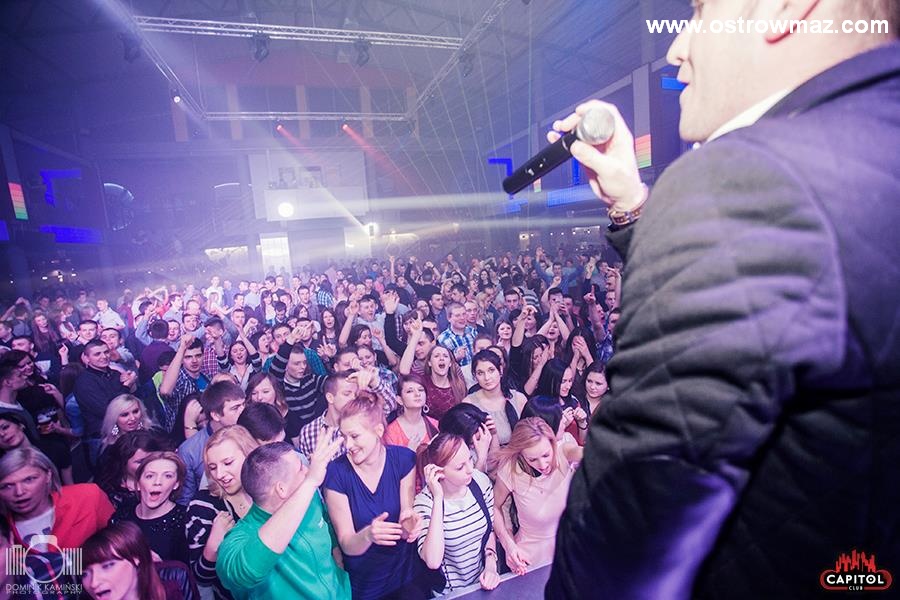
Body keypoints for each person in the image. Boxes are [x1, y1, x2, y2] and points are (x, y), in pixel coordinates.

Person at [547, 5, 900, 599]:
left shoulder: (745, 176)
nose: (676, 47)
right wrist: (634, 207)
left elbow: (625, 535)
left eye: (701, 10)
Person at [215, 439, 350, 599]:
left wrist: (338, 560)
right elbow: (242, 573)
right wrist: (310, 483)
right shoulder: (239, 537)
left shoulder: (309, 497)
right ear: (281, 489)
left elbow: (326, 522)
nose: (307, 470)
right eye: (300, 468)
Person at [322, 395, 421, 599]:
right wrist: (368, 535)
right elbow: (346, 543)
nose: (348, 445)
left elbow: (405, 518)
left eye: (354, 436)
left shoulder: (403, 460)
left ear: (378, 431)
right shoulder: (335, 474)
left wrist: (411, 524)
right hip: (366, 586)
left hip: (407, 577)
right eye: (344, 437)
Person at [414, 433, 500, 594]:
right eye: (460, 467)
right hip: (448, 593)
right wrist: (438, 498)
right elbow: (433, 561)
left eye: (470, 459)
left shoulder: (480, 482)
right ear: (439, 472)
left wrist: (491, 564)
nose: (470, 469)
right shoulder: (424, 503)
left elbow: (489, 530)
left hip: (481, 584)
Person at [493, 418, 577, 576]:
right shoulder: (510, 469)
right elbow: (495, 506)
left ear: (553, 443)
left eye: (546, 455)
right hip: (529, 558)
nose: (543, 465)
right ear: (521, 454)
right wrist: (508, 545)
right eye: (532, 459)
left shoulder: (564, 452)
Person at [186, 425, 259, 599]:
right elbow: (201, 577)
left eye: (228, 463)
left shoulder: (267, 492)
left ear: (249, 455)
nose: (219, 474)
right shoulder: (203, 506)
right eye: (212, 467)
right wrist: (213, 545)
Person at [111, 450, 189, 563]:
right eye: (150, 476)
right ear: (138, 482)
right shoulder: (122, 514)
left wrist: (162, 566)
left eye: (167, 476)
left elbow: (189, 571)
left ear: (176, 484)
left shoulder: (185, 520)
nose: (157, 482)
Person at [176, 381, 246, 505]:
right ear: (216, 415)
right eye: (235, 408)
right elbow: (185, 500)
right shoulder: (190, 450)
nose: (243, 411)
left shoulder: (251, 433)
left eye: (243, 405)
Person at [81, 521, 175, 600]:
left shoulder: (174, 590)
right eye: (85, 574)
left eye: (107, 566)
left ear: (136, 557)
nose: (94, 583)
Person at [463, 350, 527, 446]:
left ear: (500, 370)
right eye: (480, 373)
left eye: (491, 370)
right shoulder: (469, 404)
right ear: (475, 376)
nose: (487, 377)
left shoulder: (519, 399)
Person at [383, 374, 440, 452]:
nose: (417, 394)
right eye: (410, 391)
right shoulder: (391, 432)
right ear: (400, 400)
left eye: (421, 390)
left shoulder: (435, 425)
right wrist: (409, 451)